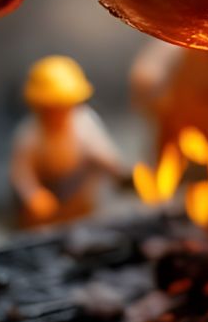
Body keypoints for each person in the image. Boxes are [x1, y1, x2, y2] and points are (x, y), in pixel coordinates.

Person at [10, 55, 129, 226]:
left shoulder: (85, 123)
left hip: (79, 198)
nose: (58, 115)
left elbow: (103, 155)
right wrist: (32, 194)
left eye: (63, 107)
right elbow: (21, 173)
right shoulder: (30, 134)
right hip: (47, 203)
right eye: (51, 109)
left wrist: (119, 172)